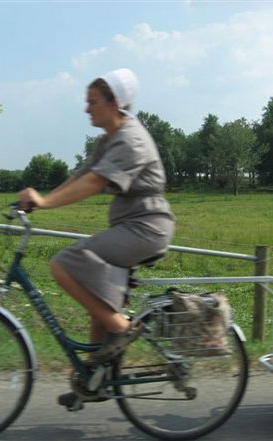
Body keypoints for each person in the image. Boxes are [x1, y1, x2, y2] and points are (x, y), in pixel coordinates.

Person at [18, 68, 175, 402]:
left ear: (114, 102)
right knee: (96, 295)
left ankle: (120, 327)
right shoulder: (109, 138)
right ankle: (94, 381)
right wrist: (39, 202)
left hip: (146, 229)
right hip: (130, 227)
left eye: (92, 102)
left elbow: (93, 183)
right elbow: (83, 174)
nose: (86, 109)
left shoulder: (130, 139)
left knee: (64, 263)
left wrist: (45, 202)